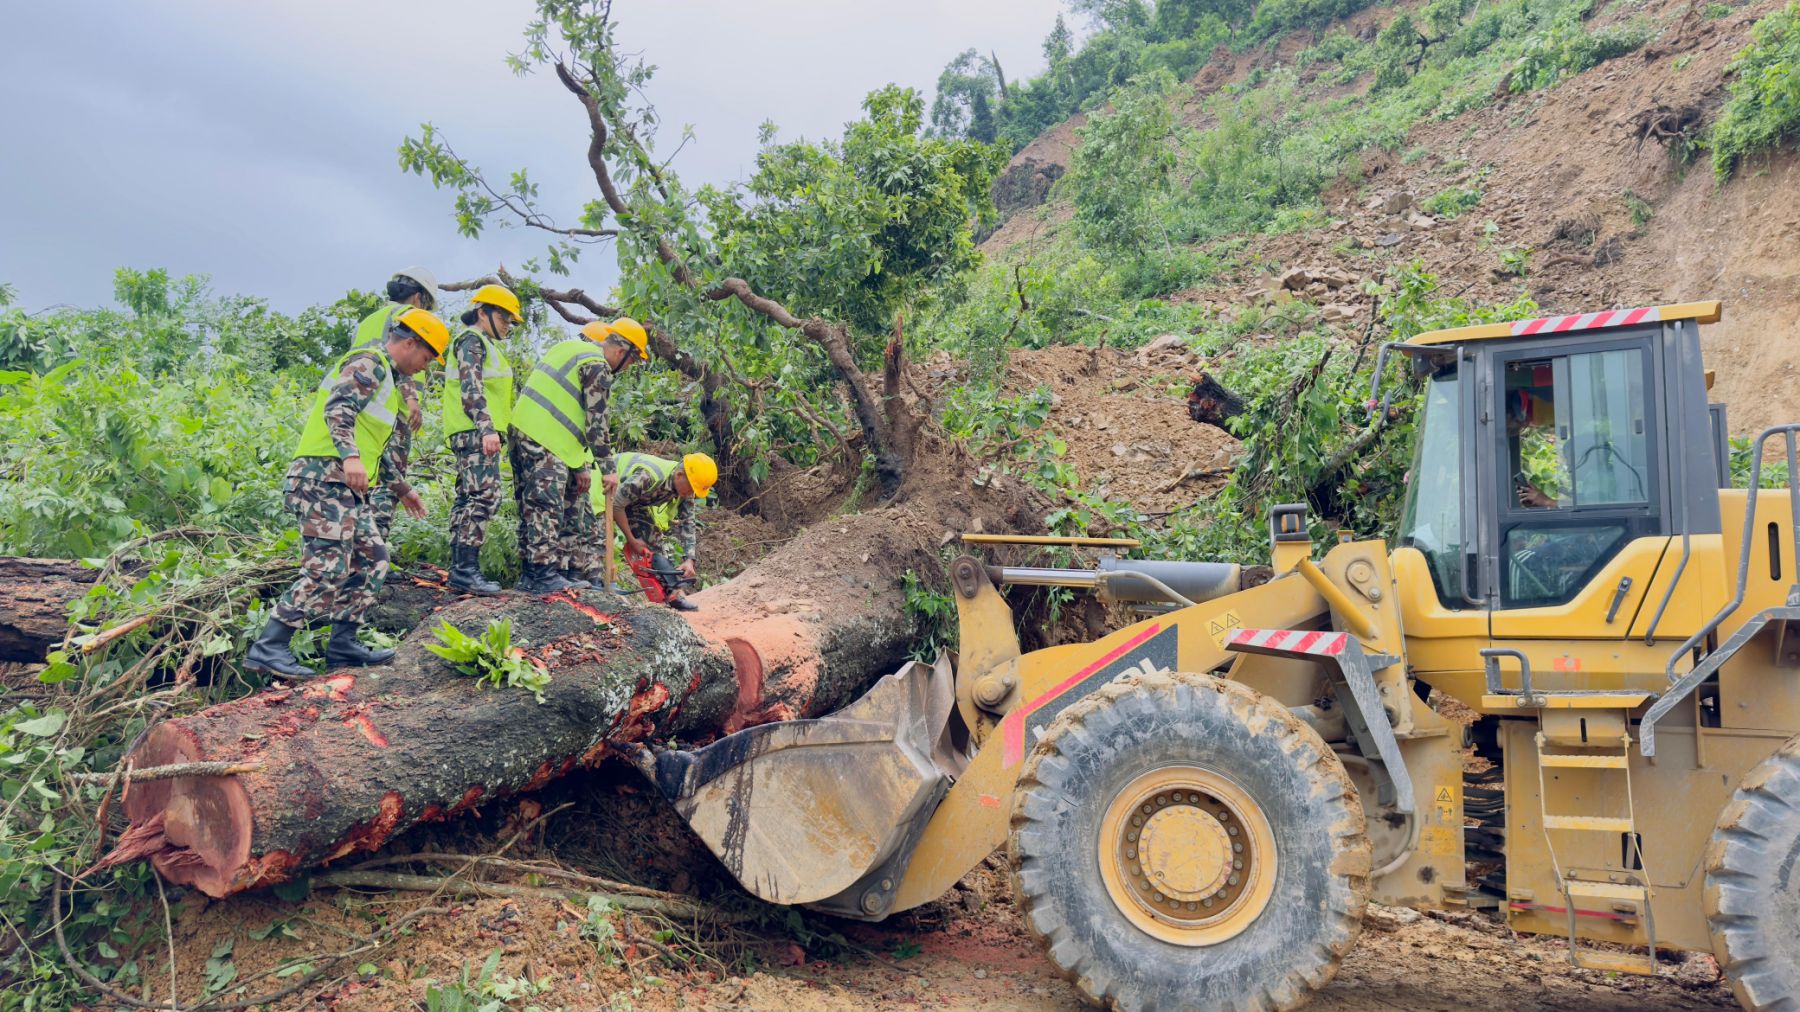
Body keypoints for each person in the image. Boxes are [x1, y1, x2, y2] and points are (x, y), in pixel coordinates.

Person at [246, 308, 451, 679]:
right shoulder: (369, 362)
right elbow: (337, 408)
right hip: (321, 478)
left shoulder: (388, 381)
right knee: (326, 568)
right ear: (409, 342)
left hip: (345, 486)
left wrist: (402, 488)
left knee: (373, 557)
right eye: (427, 357)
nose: (426, 367)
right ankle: (269, 646)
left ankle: (343, 643)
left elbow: (376, 444)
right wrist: (350, 455)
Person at [509, 317, 650, 594]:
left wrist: (578, 465)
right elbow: (596, 423)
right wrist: (608, 468)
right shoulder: (598, 366)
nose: (628, 367)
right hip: (546, 438)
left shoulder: (572, 348)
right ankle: (542, 575)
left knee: (532, 506)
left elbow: (569, 407)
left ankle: (530, 574)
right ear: (623, 353)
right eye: (632, 361)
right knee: (545, 508)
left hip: (524, 431)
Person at [443, 284, 522, 595]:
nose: (507, 324)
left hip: (471, 430)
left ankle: (461, 568)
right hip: (475, 430)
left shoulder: (485, 345)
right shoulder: (471, 341)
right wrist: (487, 428)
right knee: (484, 497)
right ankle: (465, 570)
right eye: (504, 317)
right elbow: (471, 388)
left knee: (469, 498)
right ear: (483, 312)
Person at [356, 267, 438, 538]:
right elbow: (395, 359)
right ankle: (374, 547)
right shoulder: (407, 318)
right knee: (387, 480)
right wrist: (412, 399)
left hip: (365, 406)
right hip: (392, 410)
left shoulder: (369, 320)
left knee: (369, 476)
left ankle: (362, 546)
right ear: (417, 297)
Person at [599, 451, 716, 612]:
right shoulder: (648, 476)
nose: (691, 493)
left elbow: (687, 522)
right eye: (691, 488)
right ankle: (592, 588)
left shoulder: (685, 489)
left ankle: (673, 594)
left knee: (654, 543)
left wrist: (689, 559)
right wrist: (632, 539)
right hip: (603, 490)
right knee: (595, 541)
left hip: (632, 502)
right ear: (679, 475)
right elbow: (617, 504)